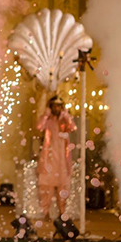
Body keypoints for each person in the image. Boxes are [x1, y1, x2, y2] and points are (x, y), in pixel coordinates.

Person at [36, 93, 76, 232]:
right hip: (49, 157)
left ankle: (62, 213)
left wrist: (65, 114)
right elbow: (39, 126)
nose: (57, 108)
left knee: (63, 187)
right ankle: (45, 212)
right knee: (47, 187)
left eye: (59, 106)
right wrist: (46, 114)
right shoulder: (48, 120)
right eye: (54, 106)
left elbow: (73, 127)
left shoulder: (64, 120)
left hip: (62, 159)